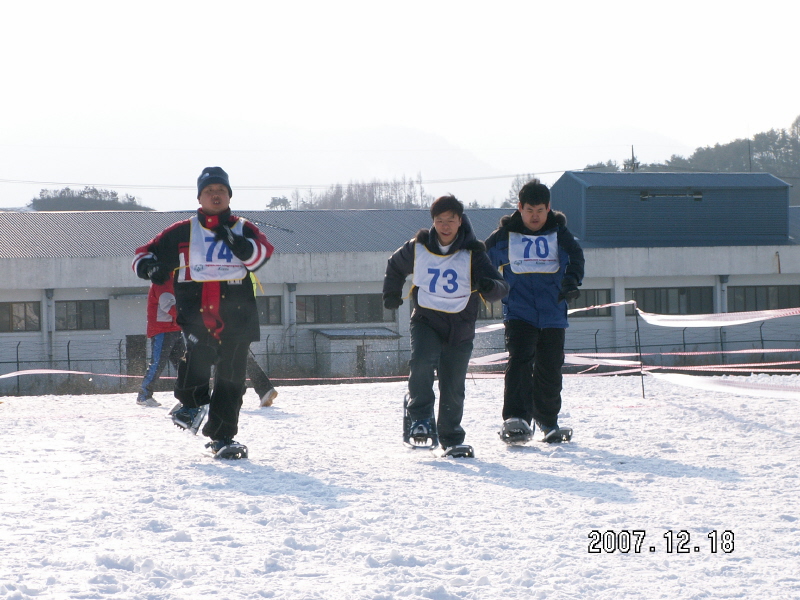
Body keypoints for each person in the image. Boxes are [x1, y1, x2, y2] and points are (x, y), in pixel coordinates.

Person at [133, 166, 274, 459]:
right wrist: (151, 268)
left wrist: (240, 245)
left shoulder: (243, 227)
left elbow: (263, 253)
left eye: (221, 190)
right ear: (200, 197)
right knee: (197, 357)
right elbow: (143, 254)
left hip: (237, 316)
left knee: (231, 380)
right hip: (196, 313)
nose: (215, 195)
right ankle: (191, 403)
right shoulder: (182, 231)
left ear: (229, 196)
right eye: (209, 191)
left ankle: (222, 437)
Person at [383, 195, 508, 456]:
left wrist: (489, 287)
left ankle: (451, 437)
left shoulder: (473, 252)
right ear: (433, 222)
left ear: (460, 221)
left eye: (450, 220)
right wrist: (391, 294)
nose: (445, 226)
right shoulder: (419, 246)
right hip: (426, 320)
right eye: (439, 221)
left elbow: (500, 286)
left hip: (460, 326)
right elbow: (395, 265)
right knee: (422, 363)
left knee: (453, 385)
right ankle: (420, 418)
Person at [485, 178, 584, 443]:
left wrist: (572, 281)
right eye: (529, 210)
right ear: (519, 207)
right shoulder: (506, 235)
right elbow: (484, 258)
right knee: (520, 360)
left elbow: (576, 256)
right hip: (519, 311)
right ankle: (516, 419)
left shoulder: (559, 233)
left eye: (540, 210)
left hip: (553, 311)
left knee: (550, 367)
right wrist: (484, 282)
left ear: (548, 208)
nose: (535, 216)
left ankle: (548, 421)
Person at [136, 279, 185, 407]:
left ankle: (187, 394)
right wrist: (186, 315)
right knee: (158, 363)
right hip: (162, 330)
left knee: (184, 364)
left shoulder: (174, 280)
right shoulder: (163, 281)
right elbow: (168, 306)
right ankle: (144, 395)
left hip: (175, 328)